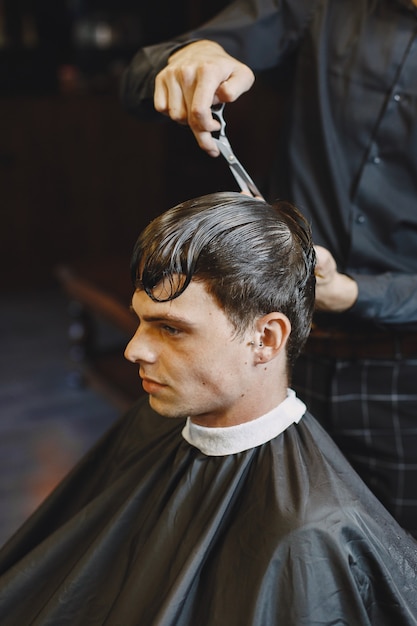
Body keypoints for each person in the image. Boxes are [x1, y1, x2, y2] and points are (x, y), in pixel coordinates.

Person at [0, 191, 417, 625]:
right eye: (141, 320)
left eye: (171, 329)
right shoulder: (149, 426)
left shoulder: (310, 534)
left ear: (267, 339)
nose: (132, 349)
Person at [120, 0, 417, 538]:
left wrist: (356, 294)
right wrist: (193, 56)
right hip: (276, 366)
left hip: (403, 376)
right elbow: (141, 75)